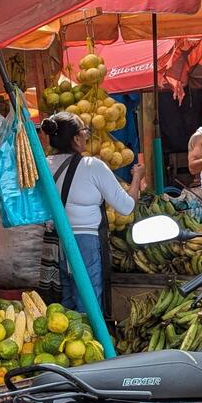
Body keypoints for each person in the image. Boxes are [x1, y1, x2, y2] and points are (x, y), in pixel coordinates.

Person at [41, 112, 144, 312]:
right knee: (88, 303)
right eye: (84, 131)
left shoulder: (43, 165)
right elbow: (126, 206)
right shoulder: (93, 166)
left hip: (54, 242)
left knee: (65, 304)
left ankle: (69, 340)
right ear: (75, 138)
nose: (87, 136)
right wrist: (137, 178)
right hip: (84, 242)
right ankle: (91, 340)